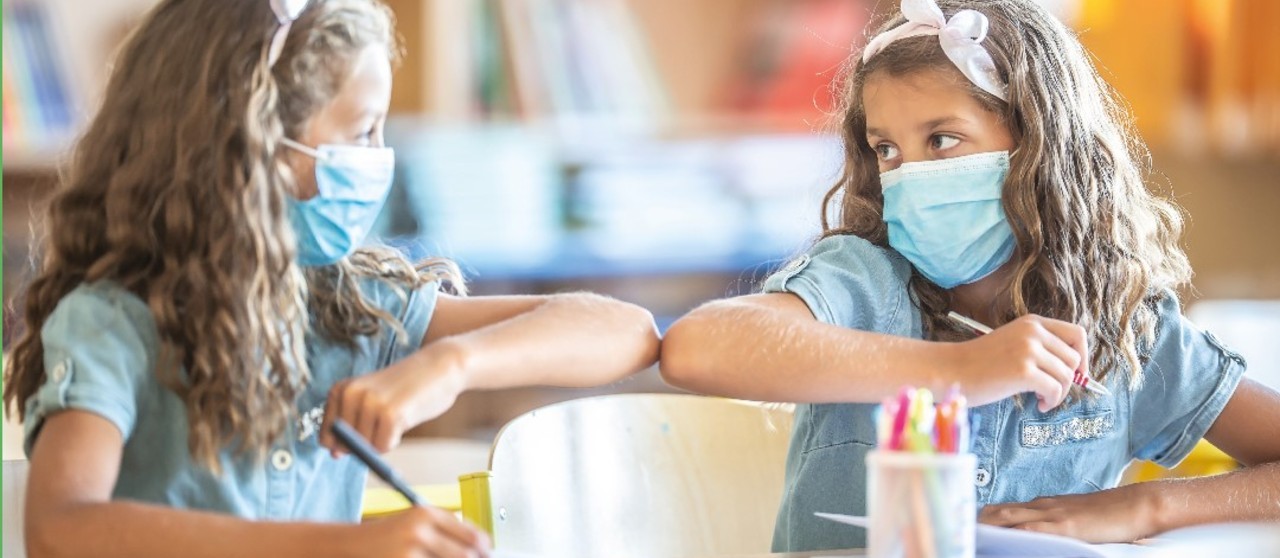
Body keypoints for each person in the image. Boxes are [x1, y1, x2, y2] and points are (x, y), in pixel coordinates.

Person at [2, 1, 660, 556]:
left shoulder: (348, 305)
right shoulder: (113, 322)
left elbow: (626, 332)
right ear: (252, 143)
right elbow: (62, 527)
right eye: (362, 132)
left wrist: (452, 365)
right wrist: (341, 546)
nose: (378, 161)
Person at [660, 0, 1280, 551]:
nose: (907, 175)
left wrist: (1146, 507)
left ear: (1038, 144)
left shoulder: (1125, 327)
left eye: (943, 140)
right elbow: (697, 348)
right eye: (888, 150)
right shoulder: (865, 280)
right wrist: (962, 373)